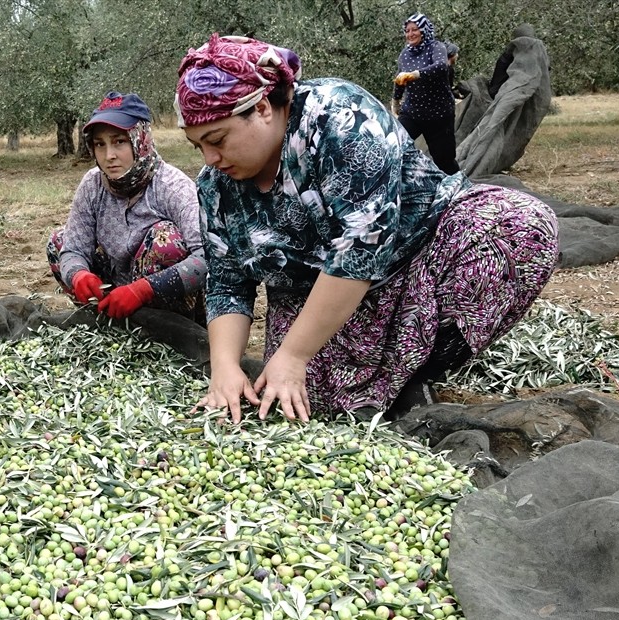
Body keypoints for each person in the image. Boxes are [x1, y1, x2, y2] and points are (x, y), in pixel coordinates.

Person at [175, 34, 558, 423]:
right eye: (197, 147)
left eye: (217, 140)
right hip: (315, 298)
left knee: (523, 230)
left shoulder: (341, 118)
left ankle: (415, 372)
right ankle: (379, 379)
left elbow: (359, 249)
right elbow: (227, 282)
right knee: (310, 401)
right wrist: (224, 369)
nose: (210, 158)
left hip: (420, 255)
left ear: (261, 108)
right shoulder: (215, 187)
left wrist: (293, 355)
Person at [47, 91, 207, 322]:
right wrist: (78, 275)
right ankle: (106, 318)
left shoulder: (172, 186)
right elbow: (73, 249)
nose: (109, 155)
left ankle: (159, 329)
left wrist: (143, 290)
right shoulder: (93, 184)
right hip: (114, 290)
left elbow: (207, 257)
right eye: (100, 144)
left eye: (119, 142)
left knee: (166, 241)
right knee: (58, 243)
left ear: (140, 139)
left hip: (161, 299)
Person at [392, 13, 460, 175]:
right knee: (394, 145)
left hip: (438, 115)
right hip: (412, 113)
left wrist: (416, 74)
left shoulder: (436, 48)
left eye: (414, 29)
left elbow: (441, 67)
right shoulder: (405, 54)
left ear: (424, 30)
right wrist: (395, 100)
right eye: (407, 31)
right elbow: (401, 78)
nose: (410, 34)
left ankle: (459, 189)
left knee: (444, 160)